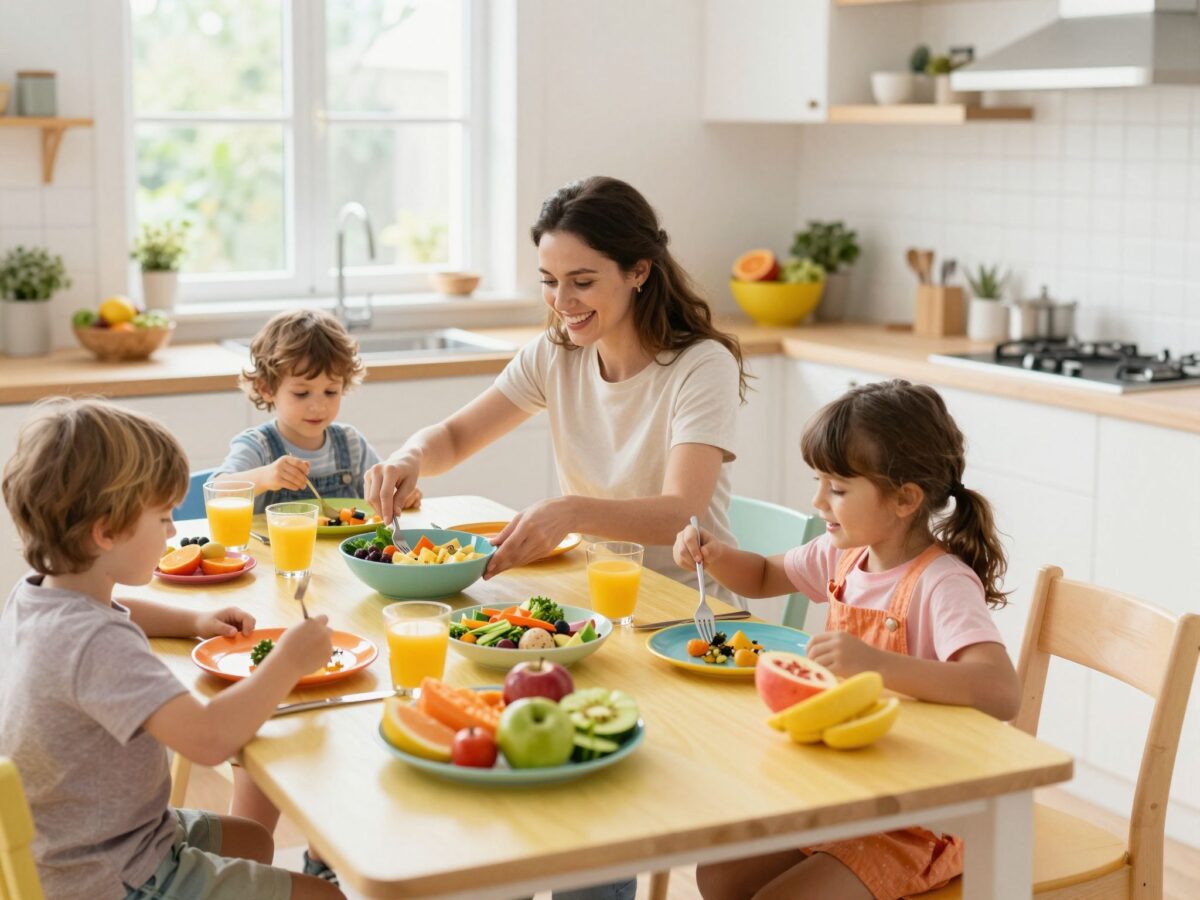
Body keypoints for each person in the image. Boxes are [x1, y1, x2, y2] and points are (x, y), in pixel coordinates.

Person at [673, 379, 1021, 900]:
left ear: (905, 499)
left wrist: (876, 664)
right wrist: (716, 555)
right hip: (846, 792)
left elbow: (1000, 691)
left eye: (837, 488)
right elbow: (766, 577)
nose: (818, 501)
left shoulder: (941, 582)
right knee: (718, 877)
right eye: (819, 482)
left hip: (920, 818)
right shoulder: (842, 555)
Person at [0, 398, 343, 900]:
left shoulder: (38, 595)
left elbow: (120, 611)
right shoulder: (97, 647)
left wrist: (195, 620)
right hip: (110, 872)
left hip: (84, 837)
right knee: (327, 897)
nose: (171, 533)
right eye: (163, 519)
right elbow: (209, 739)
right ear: (106, 531)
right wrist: (288, 662)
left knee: (252, 839)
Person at [366, 175, 749, 590]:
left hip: (688, 610)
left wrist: (570, 512)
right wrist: (411, 456)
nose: (562, 302)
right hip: (594, 593)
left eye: (582, 282)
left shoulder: (702, 366)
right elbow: (456, 438)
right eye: (549, 280)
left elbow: (680, 512)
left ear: (638, 271)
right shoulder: (556, 353)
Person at [214, 308, 420, 513]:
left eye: (330, 392)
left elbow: (381, 489)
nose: (319, 406)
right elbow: (216, 491)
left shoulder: (351, 444)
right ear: (266, 388)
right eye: (302, 393)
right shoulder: (259, 446)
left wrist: (398, 494)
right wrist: (264, 477)